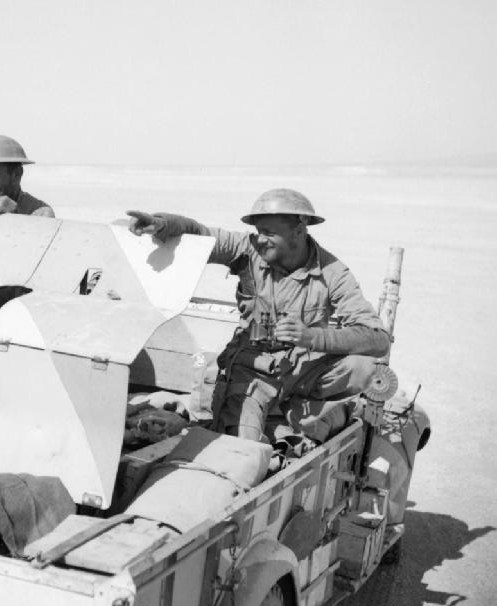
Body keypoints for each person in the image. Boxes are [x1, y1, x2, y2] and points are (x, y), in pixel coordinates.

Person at [127, 189, 390, 444]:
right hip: (252, 371)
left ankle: (294, 415)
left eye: (269, 232)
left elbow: (378, 339)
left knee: (362, 368)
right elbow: (200, 235)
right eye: (258, 231)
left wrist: (314, 337)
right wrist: (162, 224)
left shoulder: (333, 272)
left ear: (299, 231)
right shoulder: (247, 250)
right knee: (242, 448)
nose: (260, 239)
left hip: (302, 371)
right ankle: (271, 419)